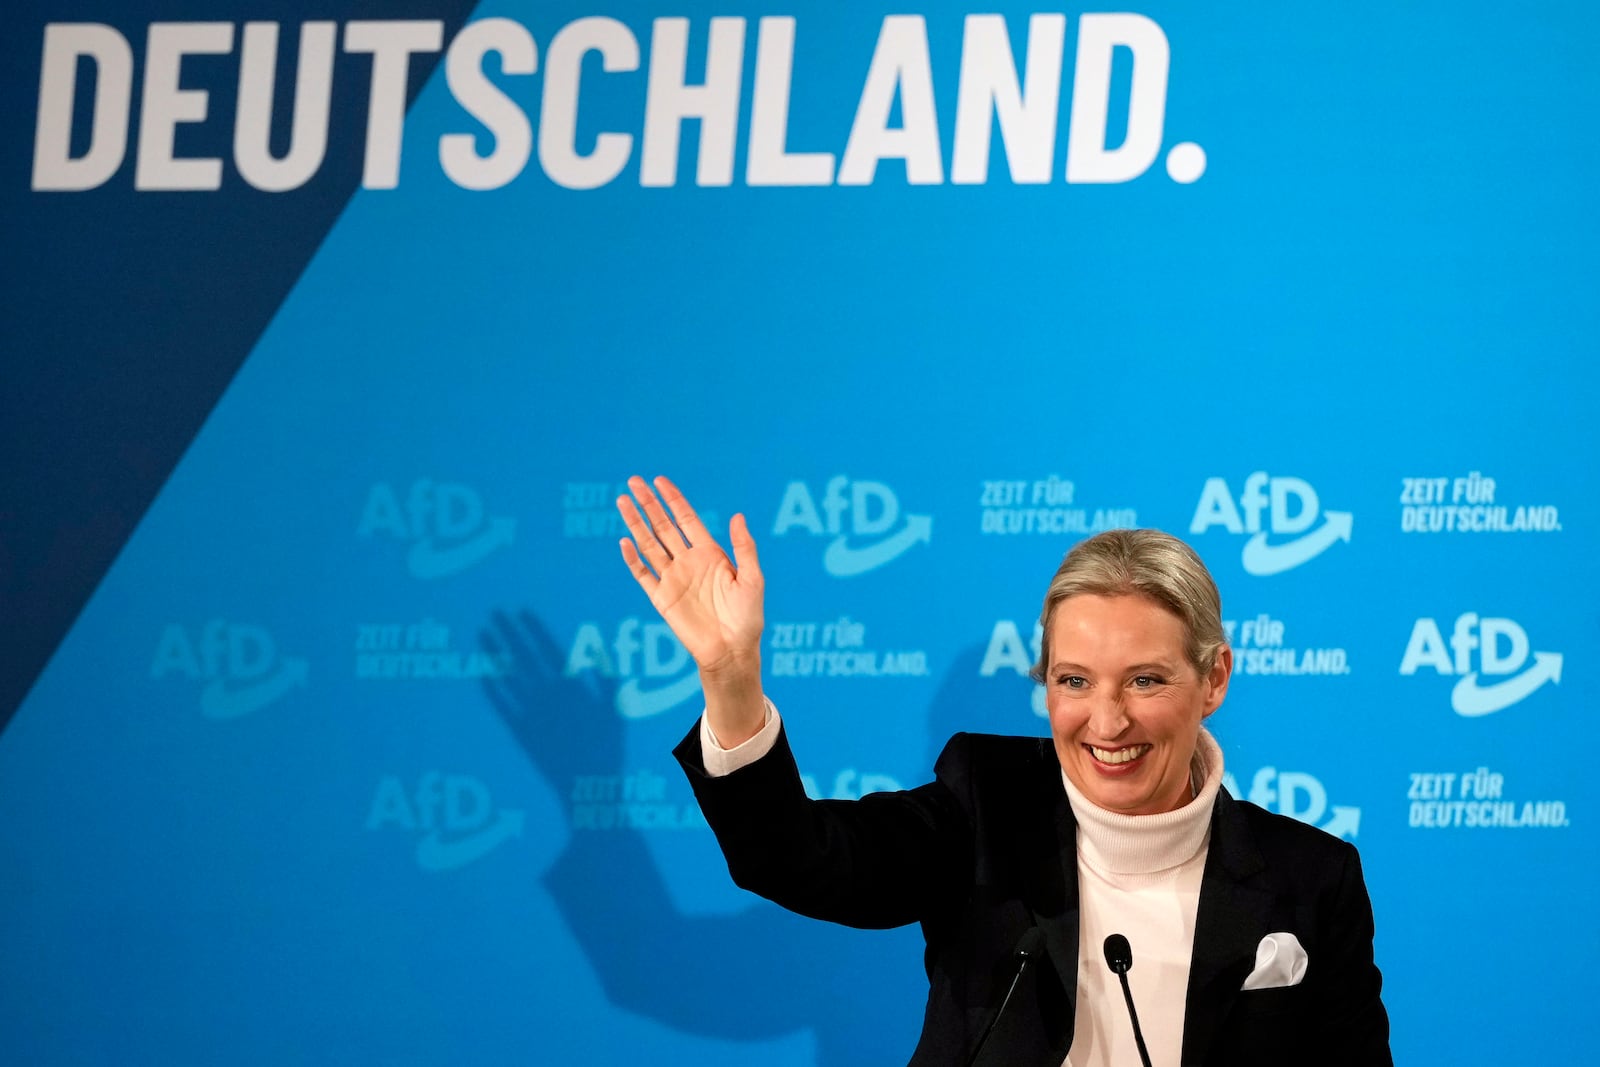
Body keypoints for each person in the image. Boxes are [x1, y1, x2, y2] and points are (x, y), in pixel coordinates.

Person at [615, 475, 1391, 1067]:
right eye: (1074, 680)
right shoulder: (985, 807)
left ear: (1214, 679)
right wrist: (730, 678)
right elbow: (799, 857)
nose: (1107, 720)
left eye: (1146, 680)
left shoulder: (1311, 878)